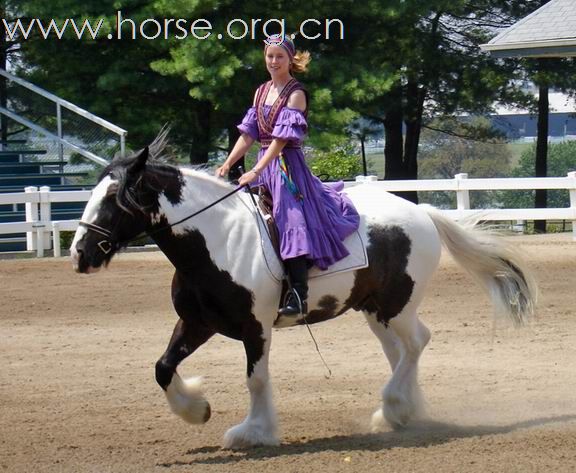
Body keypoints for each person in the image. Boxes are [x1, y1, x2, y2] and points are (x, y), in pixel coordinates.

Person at [216, 34, 360, 317]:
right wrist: (227, 163)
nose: (273, 61)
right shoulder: (260, 92)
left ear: (290, 59)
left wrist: (256, 170)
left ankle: (298, 294)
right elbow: (248, 134)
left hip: (286, 167)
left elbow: (280, 140)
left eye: (279, 57)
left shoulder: (296, 94)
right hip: (263, 163)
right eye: (270, 56)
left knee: (290, 218)